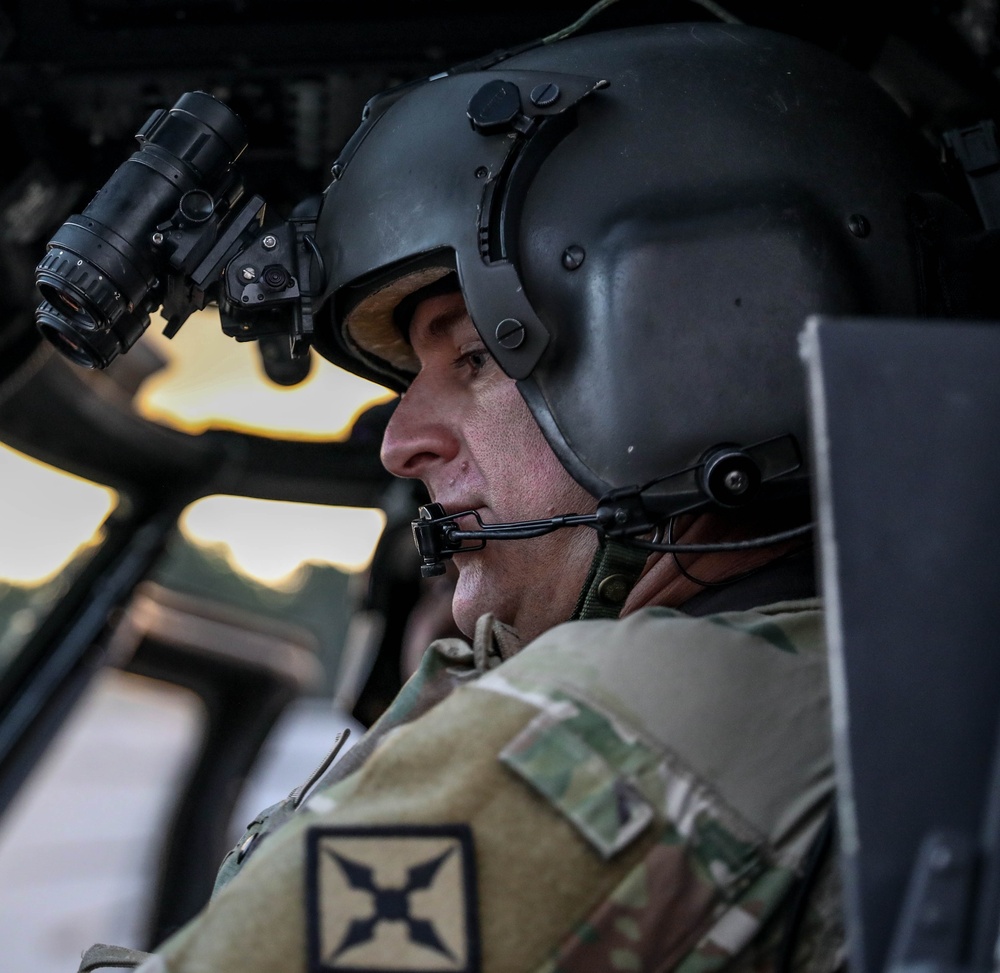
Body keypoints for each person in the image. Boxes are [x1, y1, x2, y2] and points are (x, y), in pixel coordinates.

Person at [79, 17, 987, 973]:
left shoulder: (616, 723)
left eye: (474, 355)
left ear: (702, 347)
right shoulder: (872, 666)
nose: (399, 443)